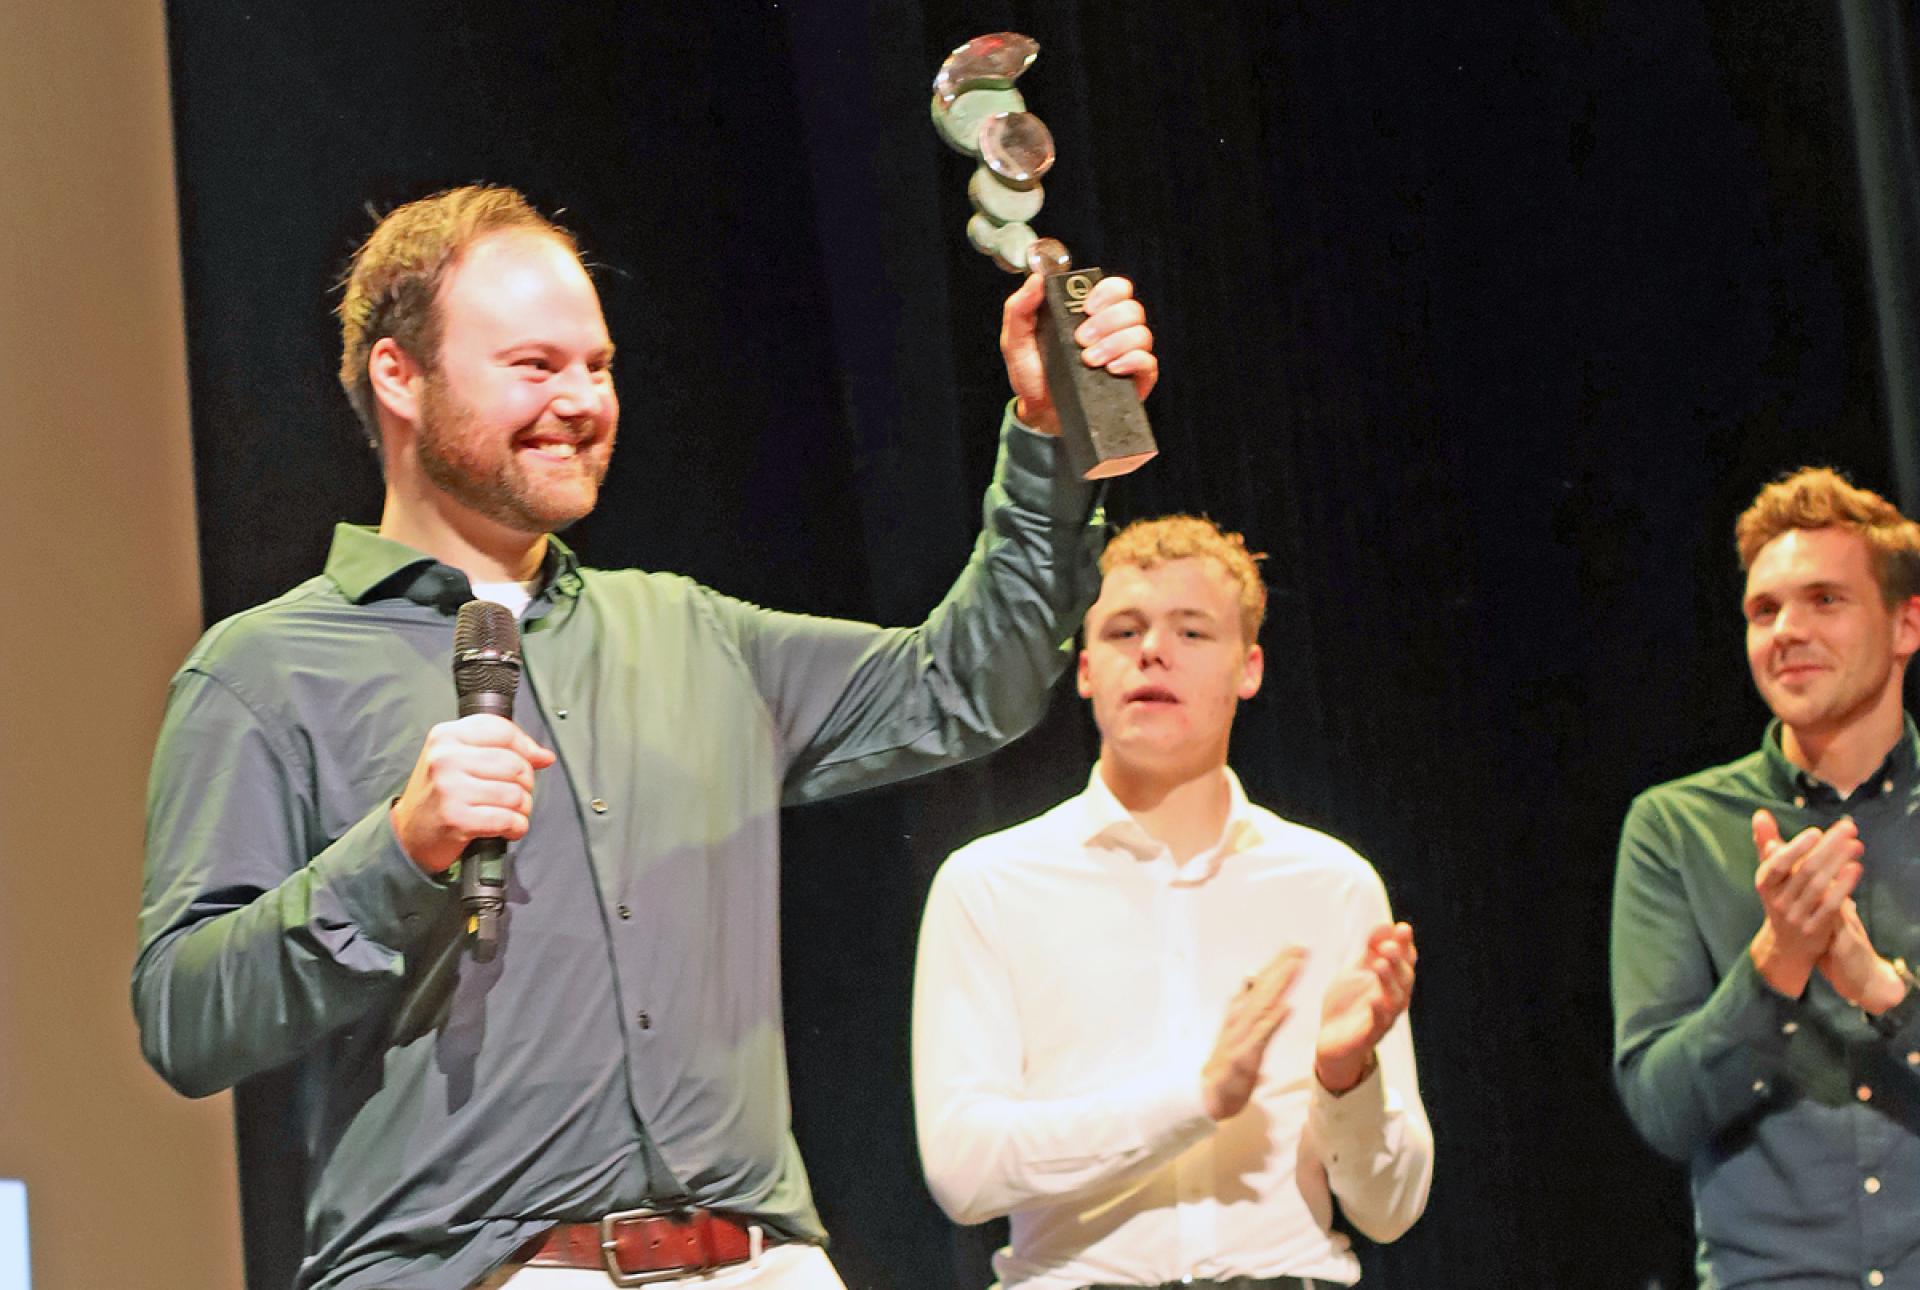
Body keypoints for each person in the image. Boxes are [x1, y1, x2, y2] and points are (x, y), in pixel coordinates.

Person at [132, 184, 1159, 1290]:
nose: (581, 401)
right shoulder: (264, 672)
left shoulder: (693, 634)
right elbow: (187, 1019)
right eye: (534, 366)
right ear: (400, 376)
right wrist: (396, 852)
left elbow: (967, 685)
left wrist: (1049, 436)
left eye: (599, 365)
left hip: (761, 1263)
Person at [912, 516, 1433, 1290]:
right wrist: (1193, 1099)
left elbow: (1390, 1209)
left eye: (1192, 632)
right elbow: (964, 1170)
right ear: (1086, 668)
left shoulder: (1331, 883)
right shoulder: (989, 884)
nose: (1152, 650)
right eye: (1124, 630)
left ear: (1248, 668)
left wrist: (1343, 1076)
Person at [1613, 467, 1920, 1287]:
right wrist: (1775, 962)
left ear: (1905, 625)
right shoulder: (1675, 829)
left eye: (1825, 600)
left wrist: (1883, 993)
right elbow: (1662, 1111)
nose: (1787, 629)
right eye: (1764, 609)